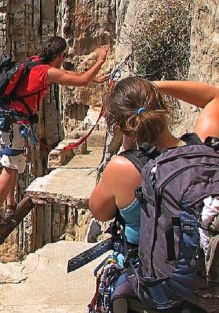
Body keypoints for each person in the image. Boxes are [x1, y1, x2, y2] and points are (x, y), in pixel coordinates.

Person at [0, 36, 109, 229]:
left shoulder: (35, 61)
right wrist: (100, 61)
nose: (63, 59)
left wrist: (95, 78)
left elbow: (66, 73)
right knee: (9, 167)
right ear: (59, 55)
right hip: (13, 124)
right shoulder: (46, 72)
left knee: (11, 163)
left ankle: (10, 206)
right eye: (64, 56)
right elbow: (81, 81)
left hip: (3, 119)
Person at [89, 78, 219, 241]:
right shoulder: (204, 146)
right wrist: (152, 86)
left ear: (124, 129)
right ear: (163, 108)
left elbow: (99, 212)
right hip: (208, 261)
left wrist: (126, 152)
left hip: (153, 265)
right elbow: (215, 97)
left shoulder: (121, 169)